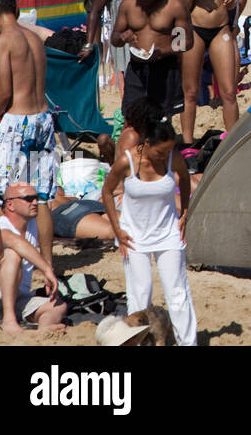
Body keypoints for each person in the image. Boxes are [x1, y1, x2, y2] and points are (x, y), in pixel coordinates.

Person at [99, 106, 196, 346]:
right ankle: (140, 341)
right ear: (147, 143)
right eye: (160, 152)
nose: (164, 156)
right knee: (140, 294)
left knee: (178, 292)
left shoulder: (174, 158)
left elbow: (185, 180)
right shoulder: (127, 160)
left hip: (168, 232)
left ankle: (188, 343)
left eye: (169, 151)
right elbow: (107, 191)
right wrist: (118, 230)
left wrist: (184, 212)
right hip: (134, 235)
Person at [0, 0, 55, 270]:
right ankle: (47, 262)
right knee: (43, 196)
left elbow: (4, 91)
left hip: (18, 120)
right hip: (43, 118)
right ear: (17, 9)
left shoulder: (2, 42)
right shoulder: (34, 38)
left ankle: (3, 258)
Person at [175, 0, 242, 150]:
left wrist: (234, 2)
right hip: (194, 30)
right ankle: (187, 143)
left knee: (229, 91)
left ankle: (233, 143)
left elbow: (234, 0)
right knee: (190, 91)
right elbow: (182, 6)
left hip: (221, 29)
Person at [113, 0, 192, 123]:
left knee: (162, 119)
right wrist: (123, 37)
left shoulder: (174, 6)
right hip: (137, 68)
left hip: (164, 68)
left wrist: (163, 51)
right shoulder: (128, 5)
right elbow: (115, 37)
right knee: (132, 116)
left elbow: (186, 41)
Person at [0, 182, 66, 336]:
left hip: (17, 297)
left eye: (36, 198)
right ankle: (9, 321)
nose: (35, 202)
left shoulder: (31, 225)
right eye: (28, 199)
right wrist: (46, 269)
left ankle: (44, 330)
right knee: (12, 255)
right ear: (10, 205)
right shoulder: (0, 226)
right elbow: (16, 242)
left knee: (58, 305)